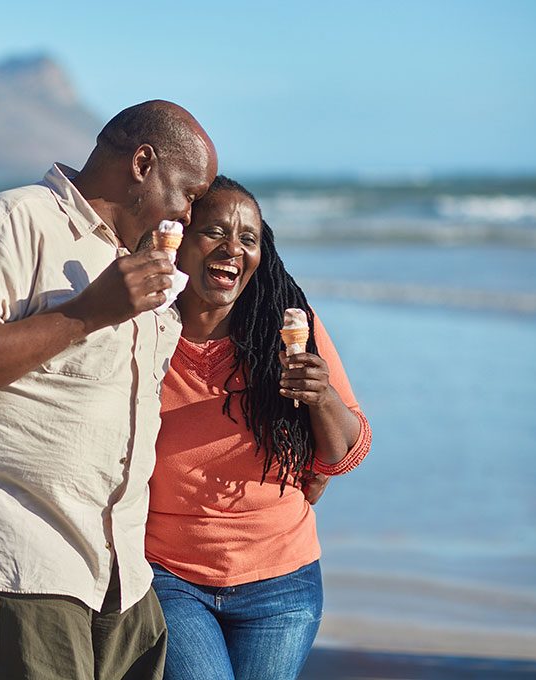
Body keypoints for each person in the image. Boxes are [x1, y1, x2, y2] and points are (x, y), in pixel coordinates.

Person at [0, 100, 218, 680]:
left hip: (119, 566)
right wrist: (86, 313)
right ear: (143, 162)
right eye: (189, 193)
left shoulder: (145, 263)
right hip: (15, 546)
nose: (190, 215)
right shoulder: (16, 221)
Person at [146, 176, 372, 680]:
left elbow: (344, 454)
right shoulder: (142, 331)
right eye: (215, 233)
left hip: (283, 584)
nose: (233, 249)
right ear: (180, 240)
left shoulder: (289, 329)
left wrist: (322, 397)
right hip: (169, 576)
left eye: (248, 239)